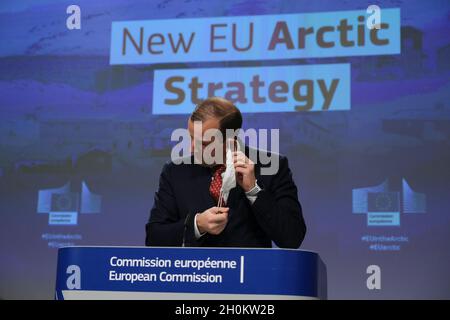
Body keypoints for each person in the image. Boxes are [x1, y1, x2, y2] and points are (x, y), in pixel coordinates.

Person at [145, 97, 306, 248]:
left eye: (204, 142)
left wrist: (253, 190)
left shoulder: (272, 166)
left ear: (231, 140)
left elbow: (292, 238)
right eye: (191, 137)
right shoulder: (175, 171)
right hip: (197, 273)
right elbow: (154, 238)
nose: (192, 148)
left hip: (249, 274)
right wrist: (197, 224)